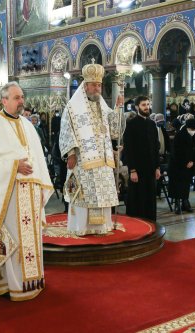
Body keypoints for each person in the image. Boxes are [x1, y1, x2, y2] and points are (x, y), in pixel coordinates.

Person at [0, 82, 53, 300]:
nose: (21, 101)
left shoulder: (28, 125)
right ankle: (6, 283)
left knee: (30, 240)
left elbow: (39, 160)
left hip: (30, 194)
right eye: (16, 98)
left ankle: (30, 280)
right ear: (3, 100)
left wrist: (42, 187)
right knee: (9, 240)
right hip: (7, 194)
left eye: (22, 97)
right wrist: (13, 166)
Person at [59, 60, 125, 235]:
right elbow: (66, 130)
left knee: (101, 193)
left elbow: (114, 130)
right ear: (85, 86)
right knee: (84, 195)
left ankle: (101, 227)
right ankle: (82, 227)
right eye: (94, 85)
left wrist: (118, 108)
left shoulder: (102, 106)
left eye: (99, 85)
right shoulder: (73, 107)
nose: (97, 89)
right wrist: (71, 154)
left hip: (102, 161)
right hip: (83, 161)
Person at [123, 96, 160, 221]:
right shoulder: (131, 125)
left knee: (150, 196)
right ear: (137, 107)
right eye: (144, 105)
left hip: (150, 168)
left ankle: (151, 223)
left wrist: (157, 167)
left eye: (148, 104)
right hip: (137, 169)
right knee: (137, 197)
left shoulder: (152, 124)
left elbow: (156, 147)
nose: (147, 107)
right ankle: (137, 225)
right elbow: (129, 149)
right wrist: (132, 170)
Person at [168, 118, 195, 214]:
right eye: (192, 129)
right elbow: (175, 152)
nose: (193, 131)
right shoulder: (180, 135)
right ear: (187, 128)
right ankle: (177, 203)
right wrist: (185, 162)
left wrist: (193, 162)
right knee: (177, 184)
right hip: (177, 165)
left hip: (190, 165)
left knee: (186, 184)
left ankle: (185, 202)